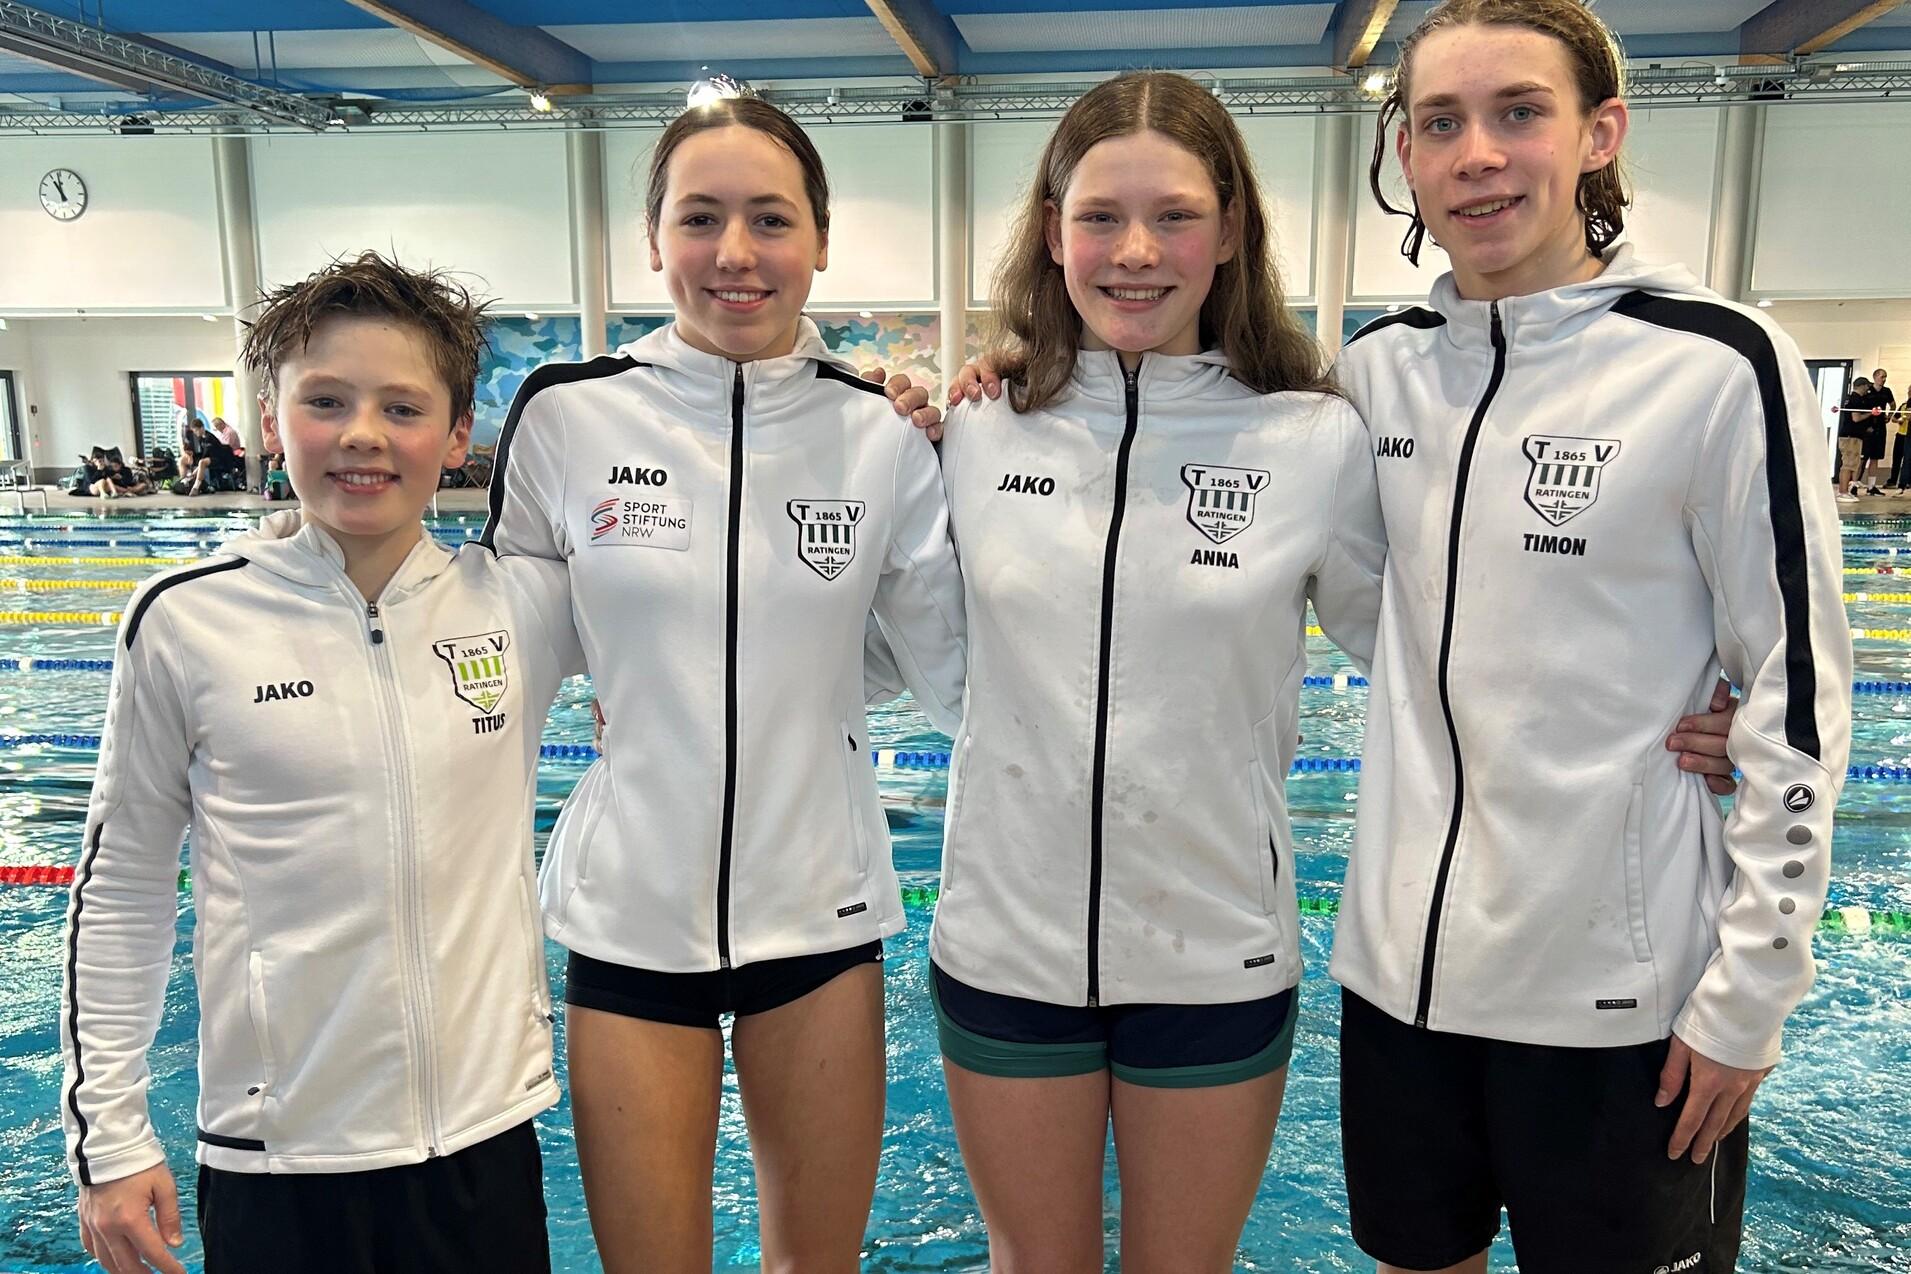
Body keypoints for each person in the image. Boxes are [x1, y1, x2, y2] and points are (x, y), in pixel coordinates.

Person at [898, 5, 1820, 1268]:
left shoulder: (1693, 366)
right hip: (1392, 988)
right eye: (1442, 121)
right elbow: (1397, 633)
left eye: (1518, 113)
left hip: (1596, 983)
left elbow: (1786, 681)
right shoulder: (1376, 379)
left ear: (1603, 133)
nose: (1478, 154)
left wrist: (1751, 972)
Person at [899, 71, 1385, 1273]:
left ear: (1229, 232)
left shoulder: (1313, 439)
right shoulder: (976, 428)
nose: (1134, 251)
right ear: (1052, 231)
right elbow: (888, 640)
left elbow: (1427, 644)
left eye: (1172, 215)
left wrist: (1676, 692)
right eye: (1098, 216)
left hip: (1215, 947)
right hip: (1005, 946)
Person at [482, 96, 965, 1274]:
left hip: (823, 910)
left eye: (770, 219)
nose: (735, 254)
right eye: (701, 219)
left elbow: (945, 663)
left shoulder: (883, 435)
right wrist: (326, 564)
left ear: (820, 240)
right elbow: (490, 654)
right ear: (653, 239)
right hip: (630, 915)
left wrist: (992, 450)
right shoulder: (567, 414)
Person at [60, 252, 582, 1274]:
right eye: (326, 400)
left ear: (457, 434)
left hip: (484, 1143)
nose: (362, 434)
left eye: (402, 405)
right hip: (277, 1164)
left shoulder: (522, 603)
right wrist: (110, 1136)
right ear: (270, 420)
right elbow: (120, 888)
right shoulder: (186, 619)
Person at [1838, 376, 1873, 502]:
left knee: (1852, 464)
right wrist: (1870, 413)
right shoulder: (1856, 399)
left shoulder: (1850, 398)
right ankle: (1842, 492)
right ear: (1862, 386)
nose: (1867, 389)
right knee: (1848, 464)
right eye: (1867, 386)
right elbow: (1856, 418)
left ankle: (1845, 491)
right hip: (1850, 437)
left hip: (1852, 435)